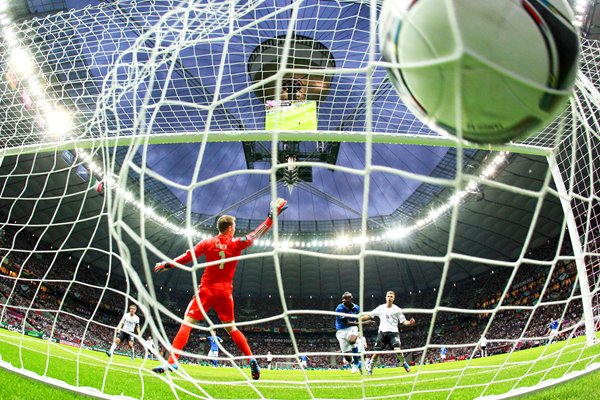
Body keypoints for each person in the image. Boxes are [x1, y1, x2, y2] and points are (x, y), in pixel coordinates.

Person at [152, 198, 288, 380]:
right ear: (230, 228)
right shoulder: (235, 243)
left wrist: (167, 264)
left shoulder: (207, 243)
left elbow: (187, 257)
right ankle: (251, 359)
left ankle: (173, 361)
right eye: (234, 225)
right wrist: (271, 217)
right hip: (225, 293)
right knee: (231, 328)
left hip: (206, 290)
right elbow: (256, 235)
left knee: (187, 323)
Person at [361, 291, 415, 375]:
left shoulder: (397, 309)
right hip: (382, 333)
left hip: (393, 333)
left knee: (398, 351)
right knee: (376, 354)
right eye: (388, 296)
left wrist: (410, 322)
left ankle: (404, 364)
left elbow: (404, 321)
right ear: (385, 297)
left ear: (393, 298)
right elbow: (370, 315)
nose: (389, 298)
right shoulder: (380, 308)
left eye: (391, 297)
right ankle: (370, 369)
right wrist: (360, 318)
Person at [335, 291, 373, 374]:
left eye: (346, 299)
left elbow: (357, 318)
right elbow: (347, 322)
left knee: (352, 340)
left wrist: (366, 318)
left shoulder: (356, 308)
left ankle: (356, 363)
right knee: (347, 358)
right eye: (343, 299)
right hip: (341, 331)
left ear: (351, 299)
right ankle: (358, 364)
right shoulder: (339, 308)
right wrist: (365, 323)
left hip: (352, 328)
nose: (343, 301)